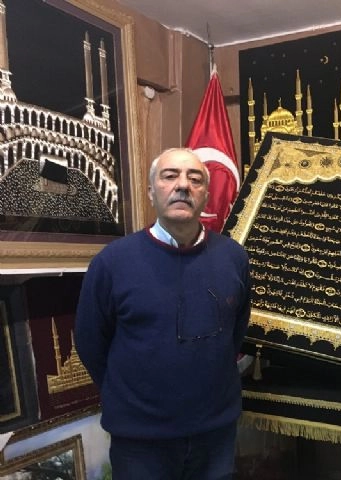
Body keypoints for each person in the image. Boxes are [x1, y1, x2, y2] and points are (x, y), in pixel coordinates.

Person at [75, 147, 251, 480]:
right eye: (170, 176)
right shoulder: (112, 263)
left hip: (215, 435)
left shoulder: (234, 258)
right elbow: (90, 343)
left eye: (195, 179)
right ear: (151, 191)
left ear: (206, 194)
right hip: (141, 442)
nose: (183, 185)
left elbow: (235, 332)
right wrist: (136, 398)